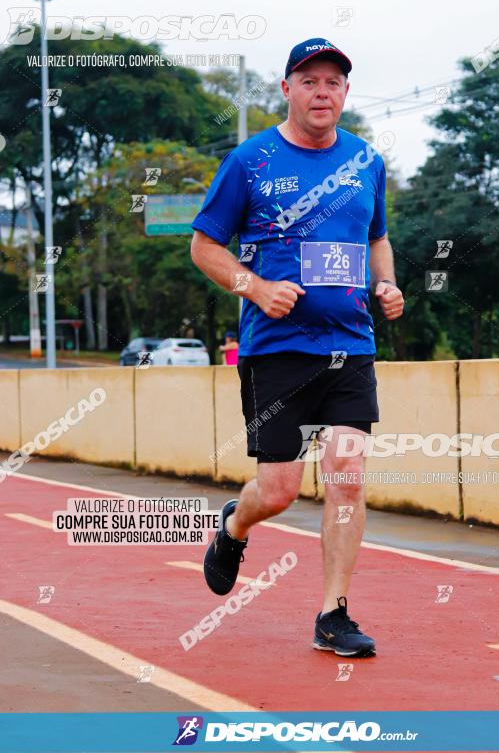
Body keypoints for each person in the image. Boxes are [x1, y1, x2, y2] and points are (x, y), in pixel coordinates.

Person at [190, 37, 404, 657]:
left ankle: (333, 614)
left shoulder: (366, 161)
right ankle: (235, 526)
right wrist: (253, 287)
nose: (323, 92)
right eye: (310, 81)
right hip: (276, 350)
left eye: (334, 82)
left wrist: (385, 283)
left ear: (345, 93)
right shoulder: (250, 160)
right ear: (287, 90)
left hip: (349, 345)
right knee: (280, 490)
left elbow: (378, 239)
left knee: (345, 474)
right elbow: (205, 246)